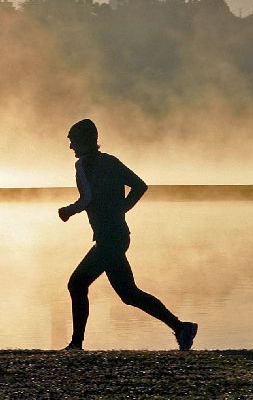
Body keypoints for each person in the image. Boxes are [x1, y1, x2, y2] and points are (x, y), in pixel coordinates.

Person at [58, 118, 198, 351]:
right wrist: (121, 208)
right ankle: (181, 327)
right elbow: (140, 186)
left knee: (77, 284)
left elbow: (88, 198)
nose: (71, 147)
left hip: (108, 239)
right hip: (117, 236)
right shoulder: (110, 162)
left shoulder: (83, 165)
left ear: (84, 141)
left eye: (73, 141)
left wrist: (69, 211)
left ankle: (76, 344)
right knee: (128, 293)